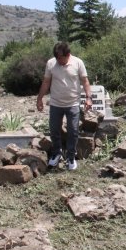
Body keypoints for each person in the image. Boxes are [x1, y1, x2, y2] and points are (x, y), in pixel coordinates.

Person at [36, 42, 92, 171]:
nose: (58, 61)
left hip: (73, 103)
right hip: (56, 103)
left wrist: (88, 98)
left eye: (61, 58)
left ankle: (71, 157)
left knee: (73, 130)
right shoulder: (51, 63)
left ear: (68, 55)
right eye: (56, 58)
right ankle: (56, 153)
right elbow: (46, 82)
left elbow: (85, 81)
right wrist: (40, 99)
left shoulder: (78, 63)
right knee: (54, 129)